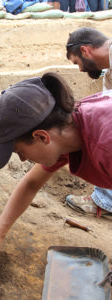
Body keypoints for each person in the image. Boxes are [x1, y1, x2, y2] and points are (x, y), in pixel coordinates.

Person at [0, 72, 112, 264]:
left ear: (41, 137)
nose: (23, 159)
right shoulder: (67, 131)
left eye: (19, 151)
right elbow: (31, 183)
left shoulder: (106, 144)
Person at [66, 27, 112, 217]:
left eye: (77, 62)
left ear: (85, 50)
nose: (81, 69)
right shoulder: (109, 73)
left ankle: (106, 202)